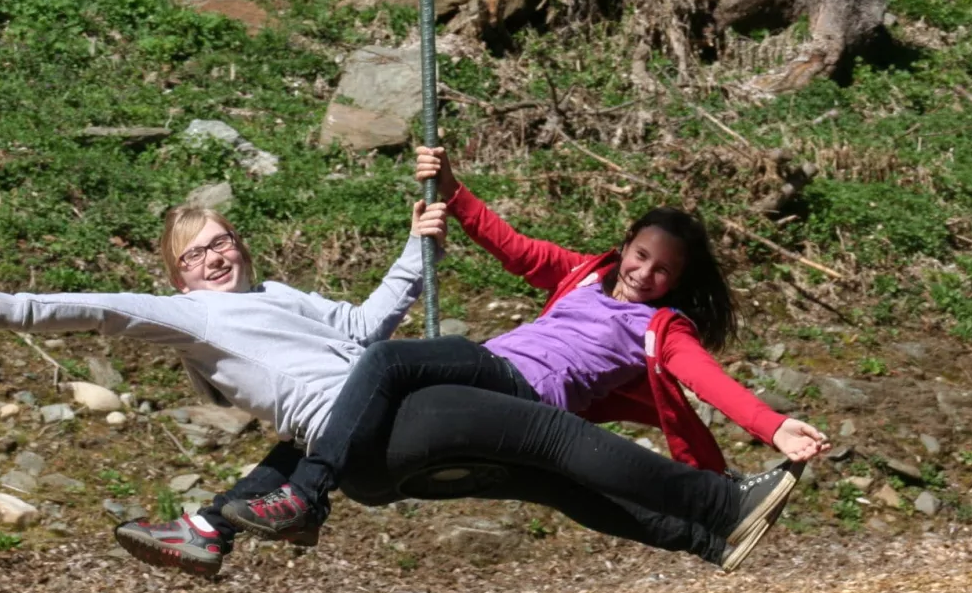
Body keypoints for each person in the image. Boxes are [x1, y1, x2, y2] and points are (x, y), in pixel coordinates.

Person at [0, 199, 802, 578]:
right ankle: (718, 505)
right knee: (546, 440)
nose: (218, 255)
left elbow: (361, 326)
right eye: (198, 252)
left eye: (225, 239)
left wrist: (420, 244)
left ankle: (700, 539)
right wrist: (10, 307)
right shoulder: (185, 314)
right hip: (382, 433)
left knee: (544, 477)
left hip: (376, 450)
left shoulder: (273, 298)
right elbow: (107, 311)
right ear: (178, 273)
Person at [218, 144, 828, 560]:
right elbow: (513, 247)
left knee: (383, 363)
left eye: (664, 270)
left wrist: (772, 427)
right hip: (492, 391)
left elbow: (708, 381)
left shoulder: (661, 326)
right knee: (564, 491)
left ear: (678, 281)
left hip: (520, 389)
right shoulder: (585, 275)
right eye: (641, 256)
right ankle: (710, 540)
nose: (645, 274)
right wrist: (452, 192)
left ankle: (306, 496)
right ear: (625, 247)